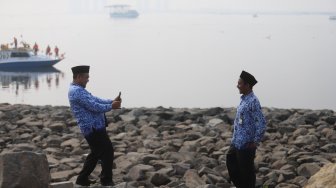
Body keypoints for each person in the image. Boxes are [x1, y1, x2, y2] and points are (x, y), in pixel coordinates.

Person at [68, 65, 121, 186]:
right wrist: (112, 106)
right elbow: (94, 106)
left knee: (96, 153)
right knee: (107, 152)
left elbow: (94, 99)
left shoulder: (78, 89)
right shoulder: (76, 91)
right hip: (92, 129)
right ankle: (106, 180)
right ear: (79, 77)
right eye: (86, 77)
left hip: (94, 127)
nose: (88, 79)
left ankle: (82, 179)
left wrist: (111, 101)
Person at [226, 70, 266, 188]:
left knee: (247, 174)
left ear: (247, 85)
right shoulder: (243, 100)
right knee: (231, 164)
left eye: (240, 84)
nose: (237, 86)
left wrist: (255, 141)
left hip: (247, 144)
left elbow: (261, 123)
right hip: (236, 142)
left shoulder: (253, 101)